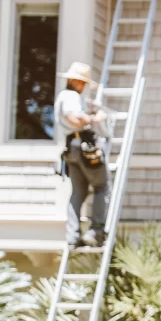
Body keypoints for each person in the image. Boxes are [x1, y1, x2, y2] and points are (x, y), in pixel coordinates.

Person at [54, 61, 111, 248]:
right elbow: (74, 117)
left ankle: (72, 236)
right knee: (101, 186)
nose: (84, 87)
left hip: (70, 147)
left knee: (78, 191)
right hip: (82, 145)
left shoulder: (63, 96)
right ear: (76, 82)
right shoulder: (70, 96)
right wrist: (95, 119)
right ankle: (96, 232)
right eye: (83, 83)